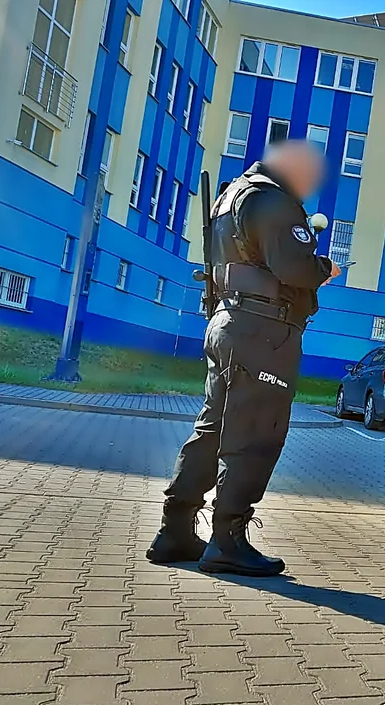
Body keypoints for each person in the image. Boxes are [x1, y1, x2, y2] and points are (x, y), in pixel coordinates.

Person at [146, 141, 342, 576]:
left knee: (212, 430)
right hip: (264, 331)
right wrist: (323, 269)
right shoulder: (273, 200)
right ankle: (227, 541)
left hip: (229, 322)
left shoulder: (231, 194)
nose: (312, 184)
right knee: (255, 435)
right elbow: (294, 268)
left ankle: (174, 530)